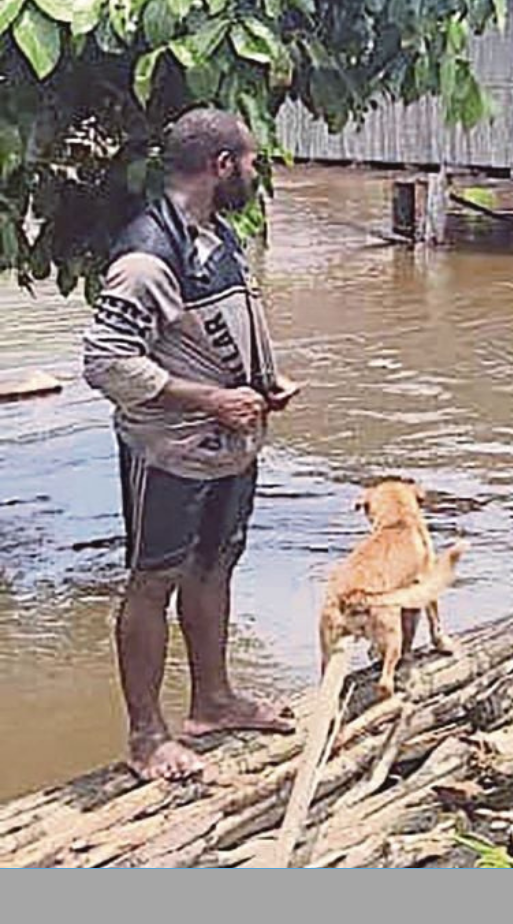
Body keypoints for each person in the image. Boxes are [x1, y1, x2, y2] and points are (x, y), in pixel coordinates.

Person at [82, 107, 300, 781]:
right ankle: (147, 736)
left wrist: (263, 382)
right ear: (220, 166)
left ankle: (214, 699)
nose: (255, 173)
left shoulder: (217, 233)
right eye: (252, 162)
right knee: (154, 580)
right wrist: (210, 398)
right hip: (170, 449)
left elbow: (218, 327)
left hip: (230, 444)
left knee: (215, 563)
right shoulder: (149, 253)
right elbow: (106, 361)